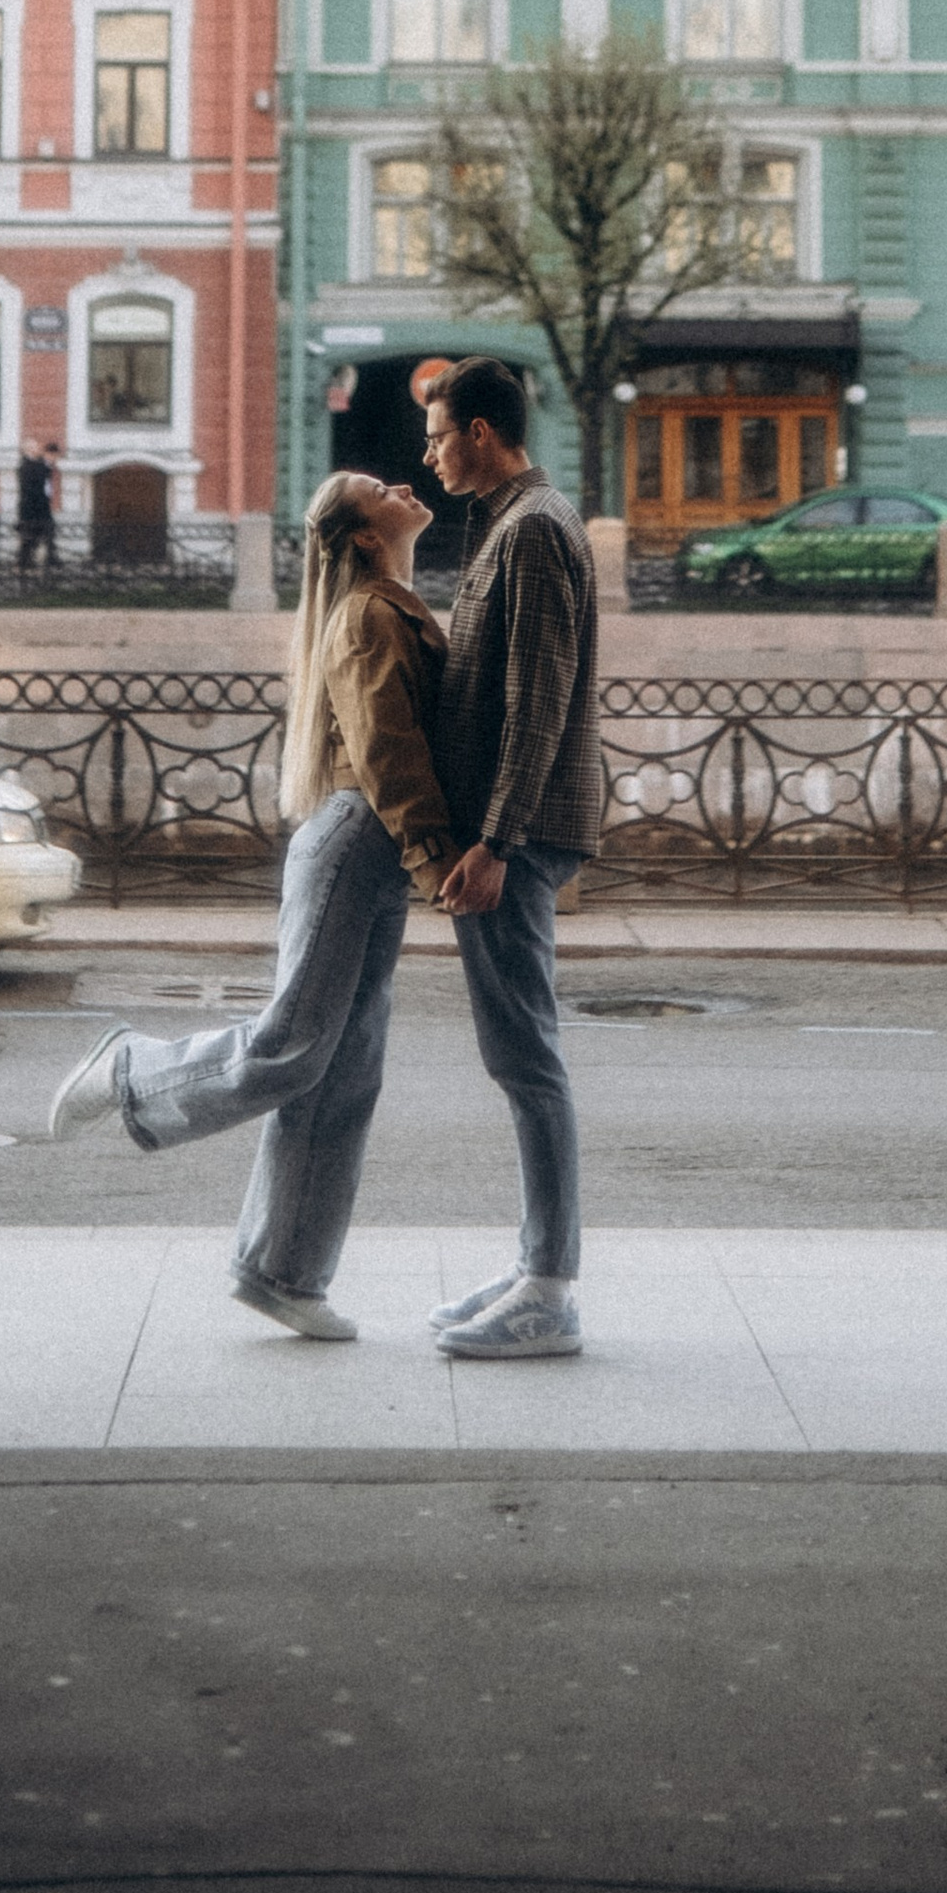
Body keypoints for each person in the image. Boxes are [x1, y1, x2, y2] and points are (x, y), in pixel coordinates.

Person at [45, 471, 452, 1338]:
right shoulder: (371, 617)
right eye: (381, 486)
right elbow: (390, 757)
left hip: (370, 856)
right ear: (364, 537)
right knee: (291, 1048)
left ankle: (284, 1274)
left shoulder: (393, 603)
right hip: (359, 841)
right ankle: (129, 1073)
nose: (406, 481)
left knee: (344, 1072)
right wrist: (435, 857)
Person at [420, 353, 603, 1362]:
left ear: (483, 435)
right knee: (518, 1055)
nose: (430, 452)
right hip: (518, 829)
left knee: (526, 1058)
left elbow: (539, 697)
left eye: (441, 436)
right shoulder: (519, 520)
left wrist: (495, 840)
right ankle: (538, 1261)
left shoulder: (531, 531)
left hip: (517, 837)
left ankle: (550, 1288)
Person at [15, 439, 56, 578]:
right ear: (28, 449)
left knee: (45, 534)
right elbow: (33, 487)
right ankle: (25, 566)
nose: (38, 449)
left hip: (40, 508)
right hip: (32, 509)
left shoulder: (36, 463)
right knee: (30, 538)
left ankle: (44, 561)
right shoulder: (27, 465)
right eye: (35, 447)